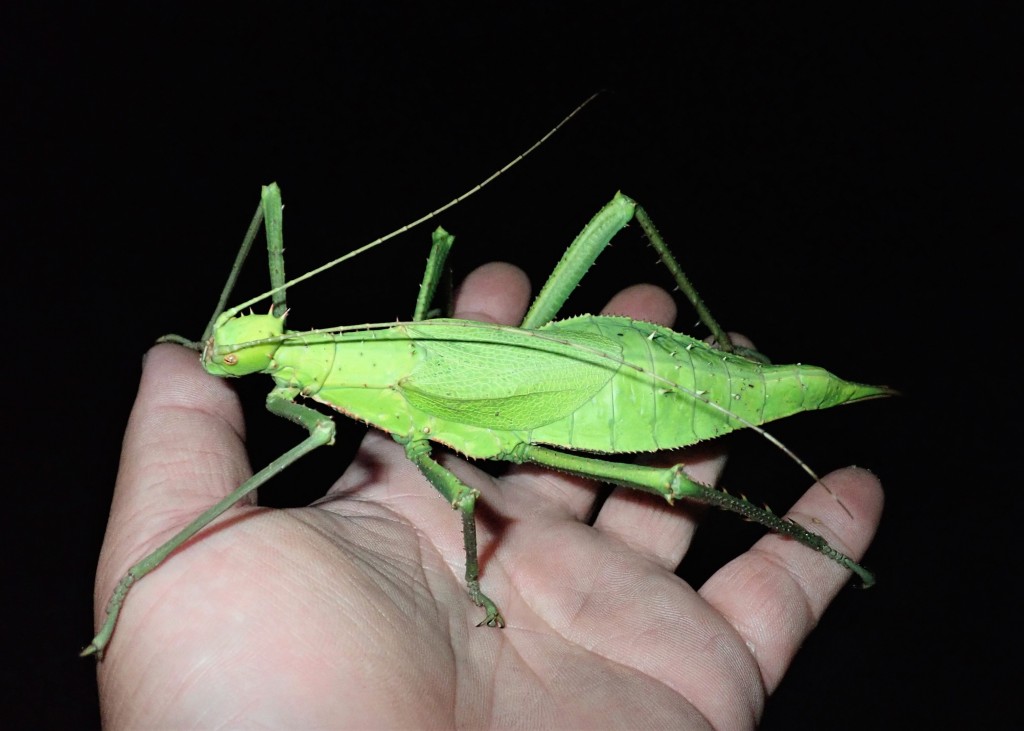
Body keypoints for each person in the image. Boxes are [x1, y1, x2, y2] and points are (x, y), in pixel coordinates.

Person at [90, 262, 882, 729]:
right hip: (577, 368)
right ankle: (794, 477)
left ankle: (808, 522)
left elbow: (460, 500)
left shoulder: (324, 387)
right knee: (672, 476)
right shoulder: (328, 359)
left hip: (598, 388)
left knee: (667, 482)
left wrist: (475, 582)